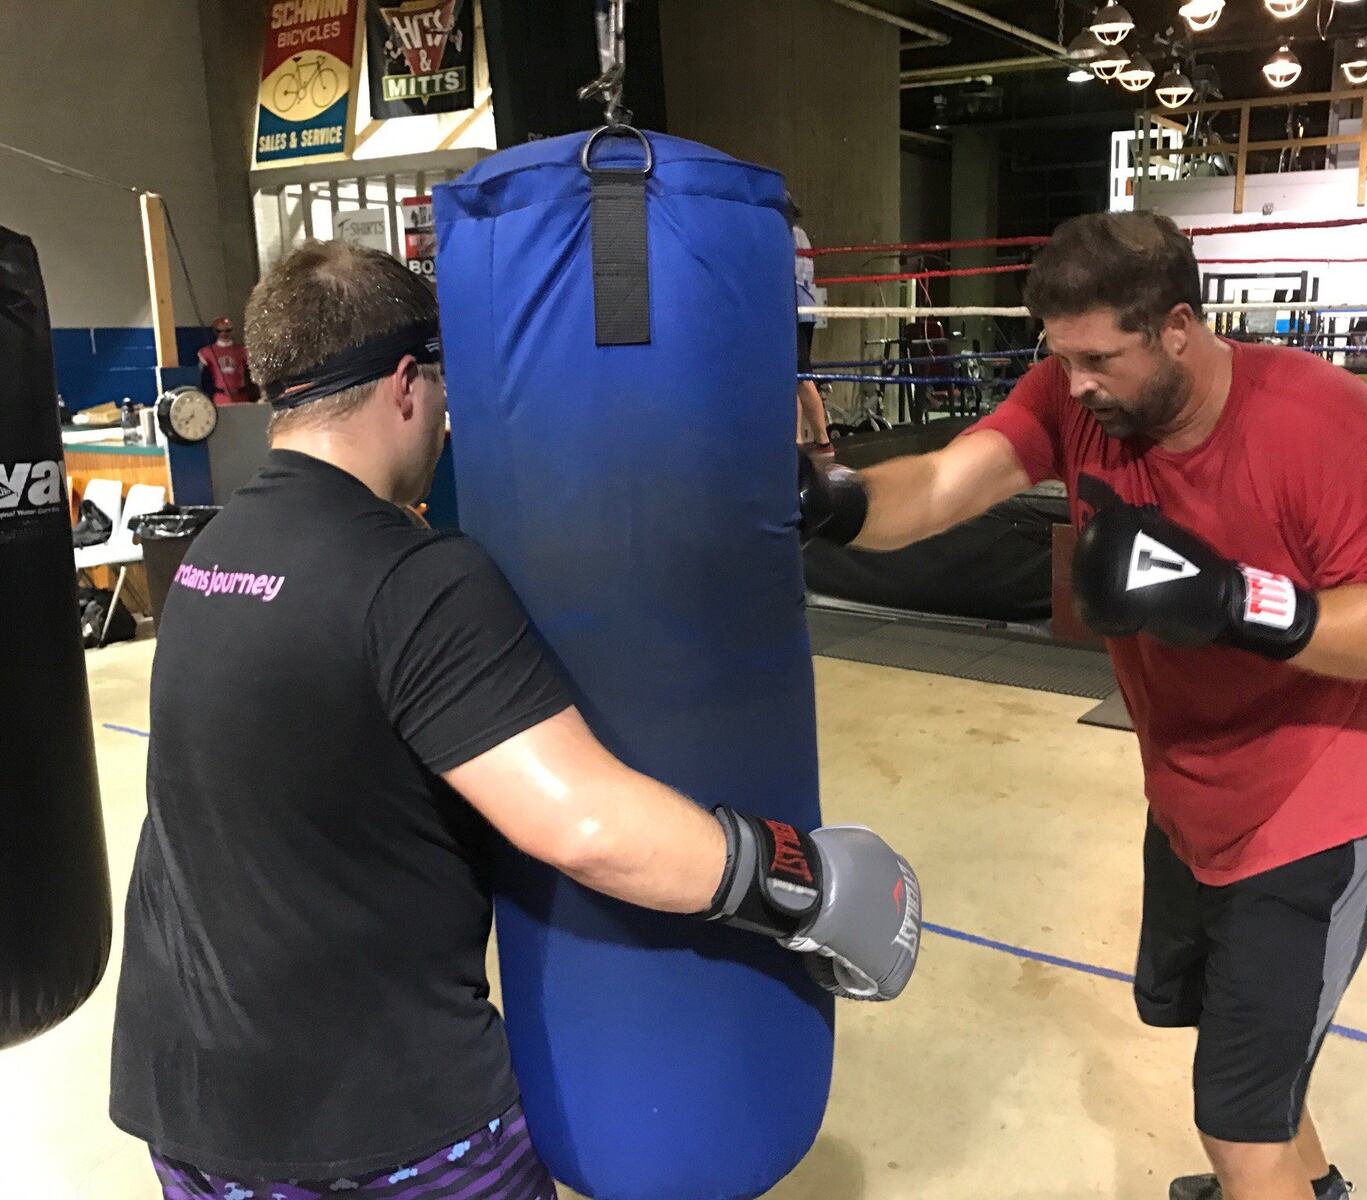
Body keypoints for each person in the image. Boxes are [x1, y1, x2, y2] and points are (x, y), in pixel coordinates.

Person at [109, 241, 922, 1200]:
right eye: (443, 391)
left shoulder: (208, 558)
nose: (449, 422)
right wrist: (809, 884)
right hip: (384, 1122)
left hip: (188, 1102)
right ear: (408, 382)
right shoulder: (413, 578)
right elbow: (584, 822)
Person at [798, 211, 1367, 1200]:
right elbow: (939, 486)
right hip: (1191, 799)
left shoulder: (1322, 425)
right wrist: (834, 503)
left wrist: (1236, 599)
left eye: (1099, 357)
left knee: (1236, 1128)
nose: (1078, 382)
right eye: (1062, 359)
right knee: (1254, 1074)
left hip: (1317, 811)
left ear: (1177, 326)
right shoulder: (1076, 397)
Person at [789, 193, 832, 453]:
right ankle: (798, 440)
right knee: (793, 377)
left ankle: (822, 439)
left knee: (802, 376)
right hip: (803, 309)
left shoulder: (787, 236)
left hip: (794, 309)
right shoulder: (800, 234)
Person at [197, 316, 254, 404]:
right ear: (215, 332)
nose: (224, 333)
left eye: (227, 330)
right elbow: (200, 376)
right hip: (220, 396)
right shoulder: (207, 352)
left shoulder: (242, 350)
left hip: (241, 396)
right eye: (219, 331)